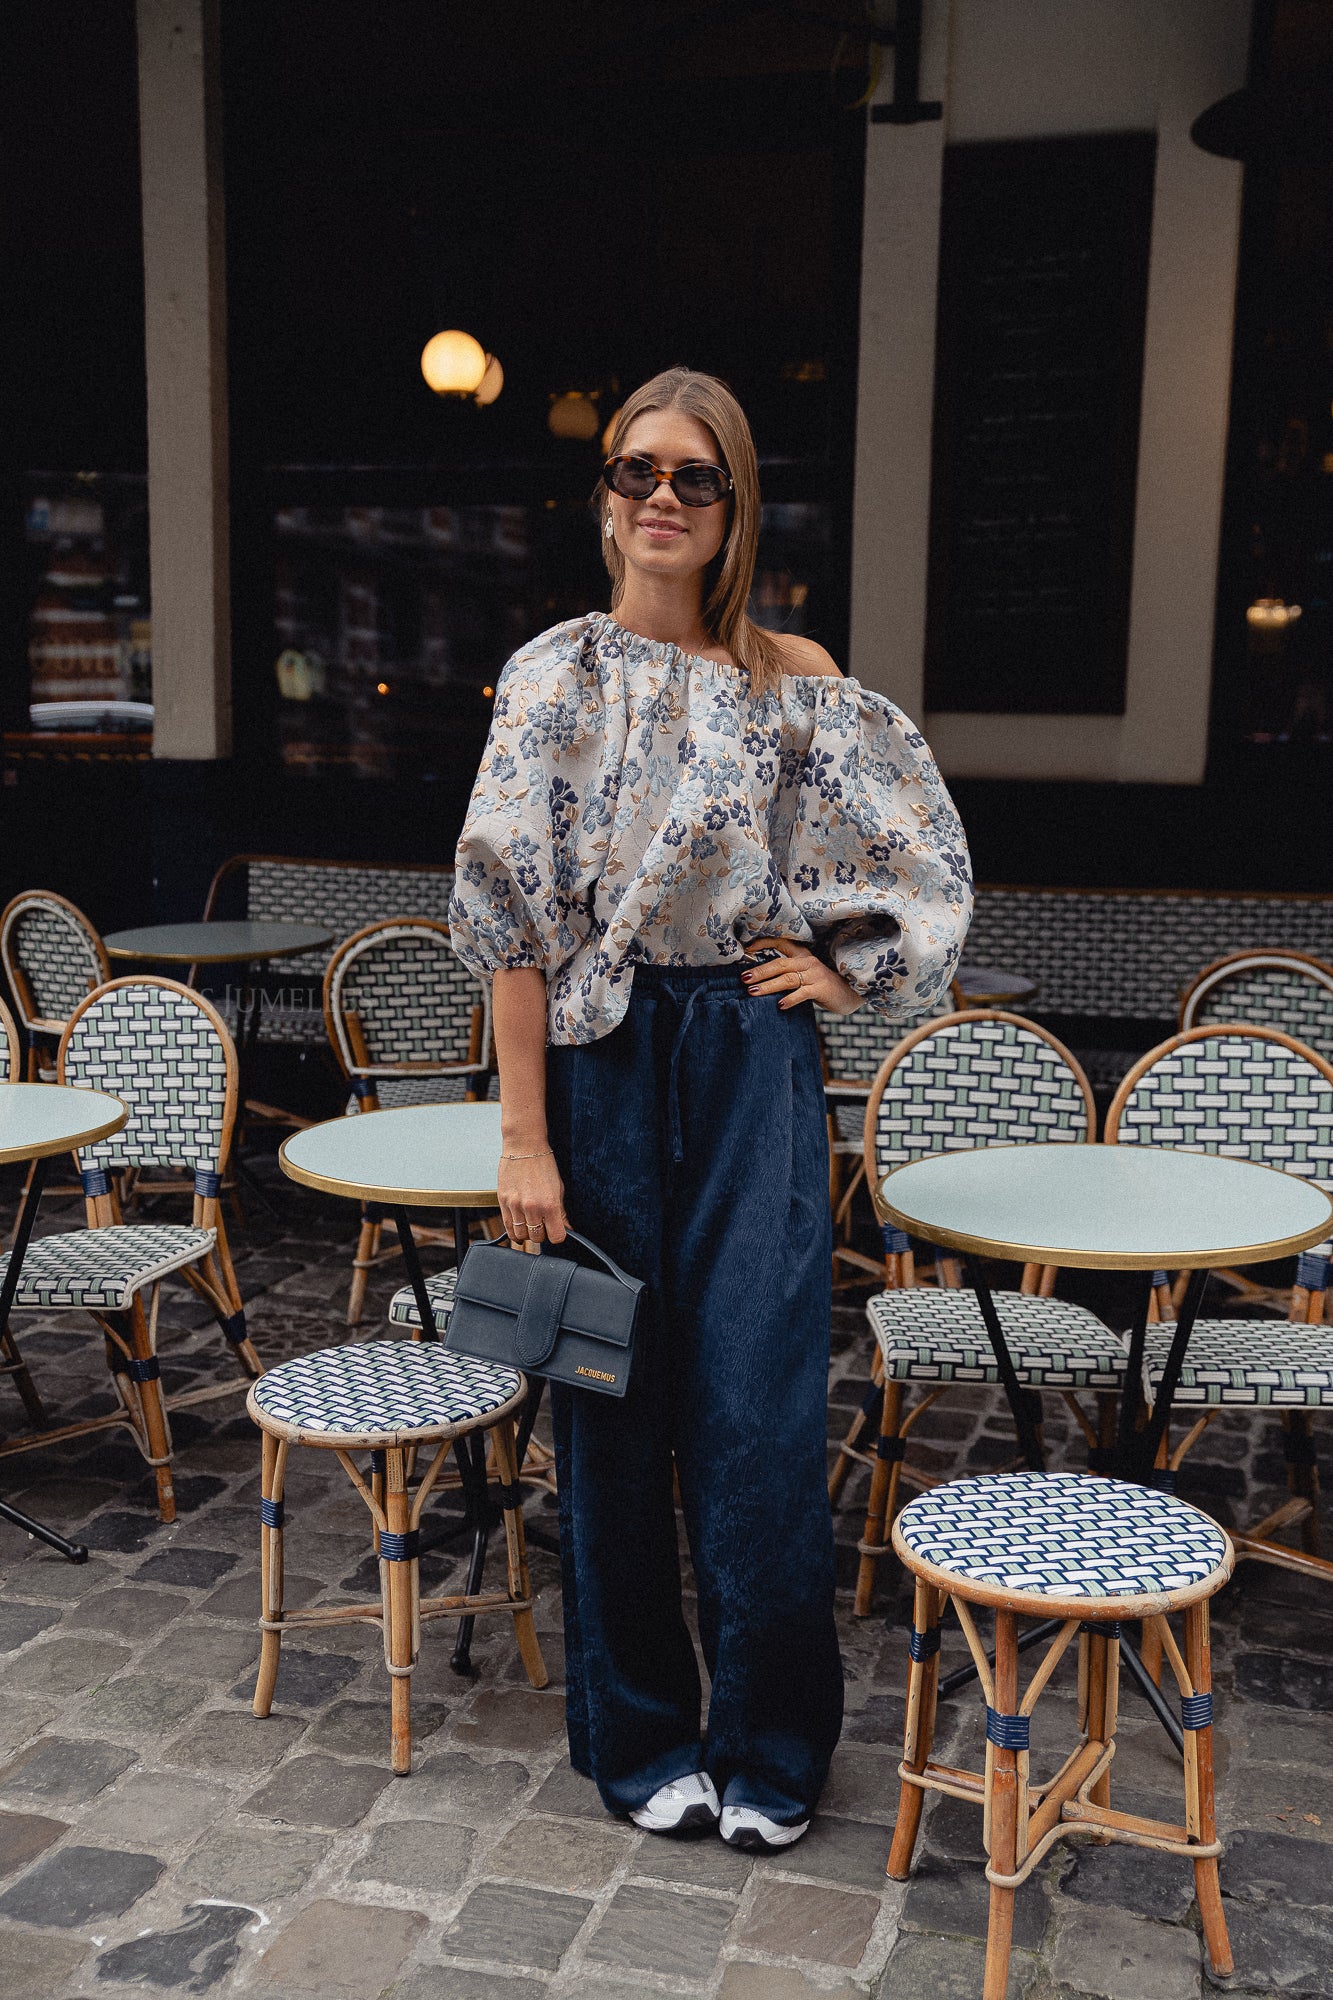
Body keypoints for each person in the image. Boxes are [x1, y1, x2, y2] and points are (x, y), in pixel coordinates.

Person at [449, 367, 971, 1852]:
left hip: (745, 1058)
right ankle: (638, 1738)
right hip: (601, 1058)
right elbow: (516, 926)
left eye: (696, 476)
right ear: (603, 497)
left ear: (736, 504)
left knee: (757, 1409)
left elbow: (916, 850)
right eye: (636, 471)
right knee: (608, 1411)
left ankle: (769, 1741)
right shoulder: (553, 674)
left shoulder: (788, 675)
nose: (662, 499)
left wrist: (843, 967)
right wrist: (524, 1135)